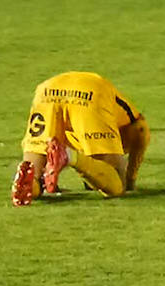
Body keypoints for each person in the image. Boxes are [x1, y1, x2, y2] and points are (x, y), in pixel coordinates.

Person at [10, 72, 150, 207]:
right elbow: (141, 130)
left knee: (32, 171)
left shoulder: (80, 134)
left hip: (47, 92)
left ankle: (30, 187)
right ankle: (68, 156)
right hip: (90, 94)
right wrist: (130, 180)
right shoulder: (130, 126)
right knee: (117, 184)